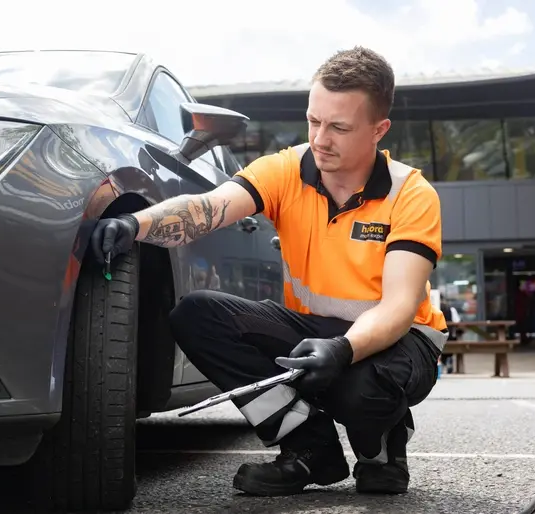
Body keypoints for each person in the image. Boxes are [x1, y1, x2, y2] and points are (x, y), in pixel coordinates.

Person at [90, 46, 447, 497]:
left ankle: (383, 448)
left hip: (401, 339)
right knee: (197, 315)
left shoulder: (411, 194)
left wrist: (340, 350)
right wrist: (133, 225)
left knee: (359, 389)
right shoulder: (287, 169)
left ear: (379, 130)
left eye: (339, 127)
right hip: (318, 329)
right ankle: (308, 448)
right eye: (314, 121)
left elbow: (398, 307)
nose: (320, 139)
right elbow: (209, 207)